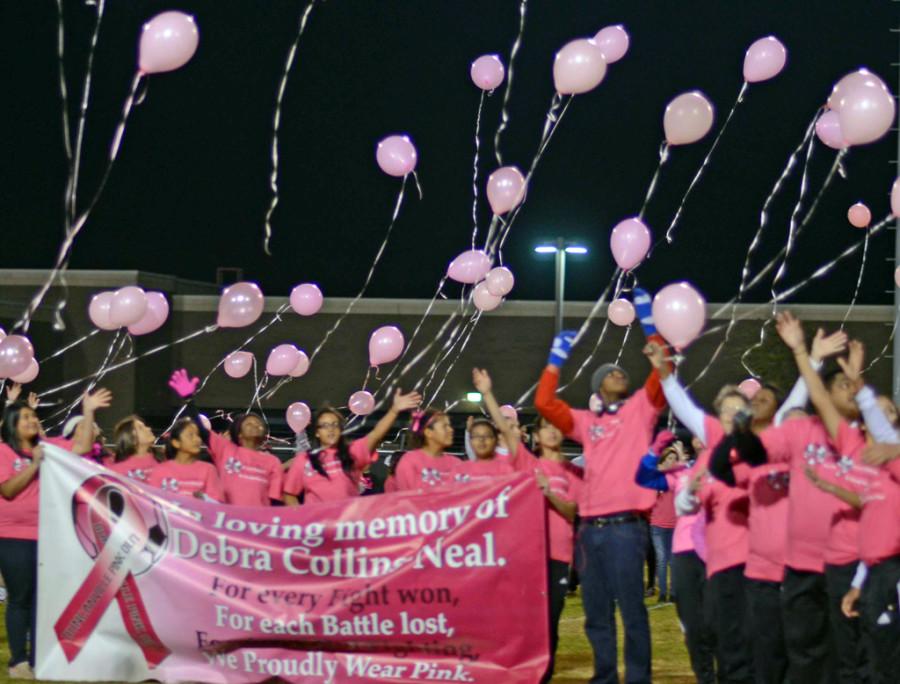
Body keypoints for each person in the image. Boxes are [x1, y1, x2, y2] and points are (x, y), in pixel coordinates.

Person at [535, 287, 667, 684]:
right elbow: (544, 403)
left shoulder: (640, 410)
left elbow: (663, 372)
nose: (618, 373)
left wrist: (650, 324)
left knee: (631, 609)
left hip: (627, 527)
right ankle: (605, 677)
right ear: (597, 388)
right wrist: (556, 360)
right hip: (589, 530)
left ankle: (638, 678)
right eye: (609, 372)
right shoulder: (587, 423)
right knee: (595, 614)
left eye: (621, 372)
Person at [790, 336, 900, 683]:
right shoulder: (854, 445)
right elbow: (822, 400)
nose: (884, 415)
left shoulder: (895, 463)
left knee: (882, 654)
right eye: (878, 410)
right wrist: (800, 352)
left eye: (891, 411)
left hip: (887, 569)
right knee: (851, 653)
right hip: (852, 566)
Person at [771, 313, 867, 683]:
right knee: (803, 652)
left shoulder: (867, 438)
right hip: (802, 563)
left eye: (853, 386)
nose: (851, 391)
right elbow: (777, 422)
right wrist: (807, 357)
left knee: (848, 653)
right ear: (823, 396)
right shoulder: (801, 429)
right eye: (842, 385)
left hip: (849, 564)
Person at [0, 389, 104, 680]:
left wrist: (89, 410)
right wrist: (34, 463)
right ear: (11, 424)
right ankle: (17, 660)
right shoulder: (4, 452)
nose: (32, 421)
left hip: (47, 534)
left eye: (34, 416)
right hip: (14, 536)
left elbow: (82, 446)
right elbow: (7, 490)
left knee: (40, 599)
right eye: (25, 418)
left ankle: (37, 658)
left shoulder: (47, 445)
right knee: (20, 597)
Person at [283, 389, 420, 504]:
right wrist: (302, 518)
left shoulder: (352, 452)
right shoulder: (304, 460)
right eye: (325, 426)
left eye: (335, 424)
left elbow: (376, 434)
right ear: (317, 433)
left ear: (341, 429)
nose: (331, 429)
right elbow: (289, 493)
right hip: (316, 531)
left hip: (346, 530)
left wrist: (394, 411)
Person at [169, 369, 283, 506]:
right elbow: (201, 429)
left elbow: (275, 501)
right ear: (239, 433)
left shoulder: (272, 462)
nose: (255, 426)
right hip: (227, 522)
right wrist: (188, 398)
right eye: (249, 424)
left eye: (259, 424)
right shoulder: (225, 449)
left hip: (257, 524)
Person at [148, 418, 224, 502]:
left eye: (198, 435)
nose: (197, 439)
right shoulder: (160, 470)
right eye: (190, 435)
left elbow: (217, 504)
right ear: (176, 443)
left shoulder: (208, 470)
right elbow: (151, 503)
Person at [392, 410, 461, 490]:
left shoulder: (457, 463)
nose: (451, 430)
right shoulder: (410, 462)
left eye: (450, 426)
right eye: (444, 426)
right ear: (428, 433)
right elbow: (406, 497)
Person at [105, 415, 160, 482]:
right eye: (141, 428)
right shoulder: (118, 471)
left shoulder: (160, 462)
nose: (149, 429)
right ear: (132, 439)